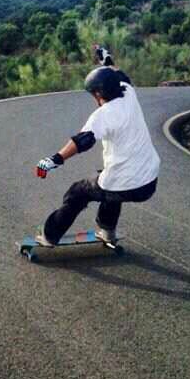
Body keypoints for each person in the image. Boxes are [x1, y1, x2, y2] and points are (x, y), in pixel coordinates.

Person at [34, 47, 160, 247]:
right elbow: (116, 72)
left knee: (77, 192)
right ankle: (107, 231)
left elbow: (82, 141)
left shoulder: (103, 115)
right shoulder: (129, 93)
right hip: (149, 182)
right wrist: (105, 55)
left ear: (99, 93)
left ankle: (50, 236)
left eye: (93, 94)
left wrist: (53, 160)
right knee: (109, 182)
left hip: (125, 182)